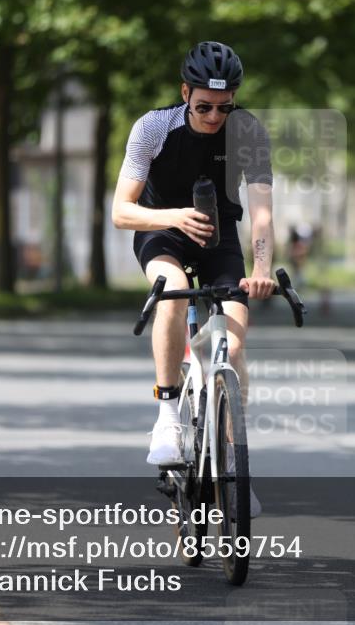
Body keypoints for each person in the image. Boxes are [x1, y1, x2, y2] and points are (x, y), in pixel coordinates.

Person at [111, 41, 274, 486]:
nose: (214, 117)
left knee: (234, 344)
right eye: (204, 106)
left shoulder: (249, 133)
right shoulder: (152, 127)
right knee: (172, 289)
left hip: (219, 238)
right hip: (161, 230)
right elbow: (121, 212)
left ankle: (233, 470)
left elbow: (261, 213)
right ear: (185, 93)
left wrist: (261, 270)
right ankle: (167, 416)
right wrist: (173, 216)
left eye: (225, 107)